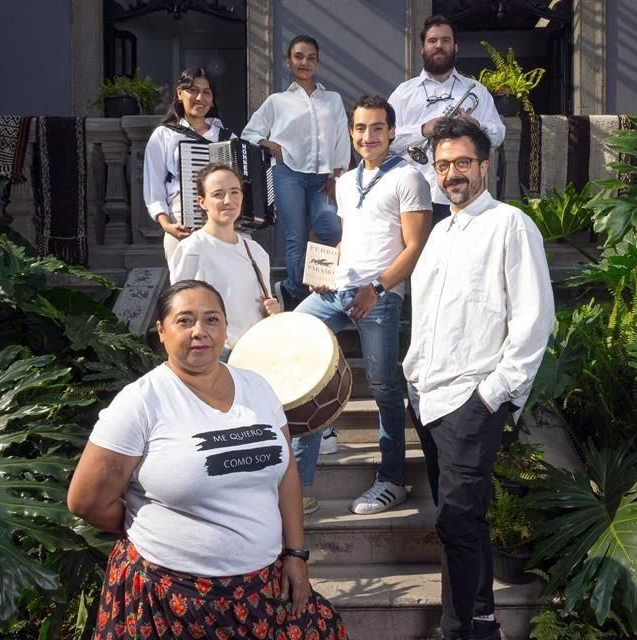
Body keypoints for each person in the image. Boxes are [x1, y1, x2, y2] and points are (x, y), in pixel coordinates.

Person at [68, 280, 348, 640]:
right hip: (168, 597)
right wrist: (153, 525)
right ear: (161, 331)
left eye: (211, 320)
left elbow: (286, 474)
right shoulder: (141, 403)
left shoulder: (258, 388)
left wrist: (295, 553)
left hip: (263, 588)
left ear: (225, 329)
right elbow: (85, 501)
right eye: (184, 321)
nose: (200, 331)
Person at [403, 117, 554, 640]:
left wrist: (493, 395)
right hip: (429, 399)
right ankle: (484, 621)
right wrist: (414, 381)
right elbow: (426, 318)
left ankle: (456, 630)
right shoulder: (440, 233)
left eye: (462, 163)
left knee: (455, 521)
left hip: (473, 399)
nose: (452, 174)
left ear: (484, 166)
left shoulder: (511, 225)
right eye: (443, 165)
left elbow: (535, 321)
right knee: (466, 520)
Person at [293, 95, 431, 516]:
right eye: (359, 128)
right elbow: (350, 239)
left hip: (381, 296)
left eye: (376, 128)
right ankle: (300, 482)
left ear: (391, 131)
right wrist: (324, 268)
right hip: (336, 290)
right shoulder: (346, 181)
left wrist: (377, 287)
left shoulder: (410, 178)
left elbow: (416, 246)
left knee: (385, 387)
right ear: (351, 133)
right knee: (297, 348)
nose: (367, 136)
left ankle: (391, 480)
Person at [241, 35, 351, 311]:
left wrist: (337, 176)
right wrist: (268, 143)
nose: (305, 62)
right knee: (296, 237)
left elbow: (342, 138)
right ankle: (300, 293)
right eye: (299, 57)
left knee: (330, 228)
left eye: (311, 57)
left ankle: (302, 284)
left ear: (317, 63)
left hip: (323, 178)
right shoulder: (277, 101)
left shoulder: (333, 100)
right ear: (289, 62)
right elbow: (248, 134)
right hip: (287, 173)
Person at [388, 15, 505, 226]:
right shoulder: (403, 93)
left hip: (463, 193)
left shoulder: (476, 90)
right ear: (422, 48)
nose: (439, 46)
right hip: (413, 195)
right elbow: (388, 139)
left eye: (445, 40)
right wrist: (423, 130)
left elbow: (499, 134)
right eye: (432, 41)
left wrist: (477, 127)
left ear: (456, 47)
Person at [169, 162, 279, 355]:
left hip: (256, 352)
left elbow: (263, 305)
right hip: (216, 355)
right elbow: (180, 314)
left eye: (235, 192)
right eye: (218, 194)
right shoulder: (192, 249)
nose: (228, 200)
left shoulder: (256, 251)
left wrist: (272, 310)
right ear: (201, 201)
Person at [143, 68, 235, 265]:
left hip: (222, 221)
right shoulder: (164, 135)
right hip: (182, 221)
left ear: (213, 99)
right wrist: (167, 225)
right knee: (187, 289)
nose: (200, 97)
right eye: (193, 90)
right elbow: (154, 187)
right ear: (179, 93)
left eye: (207, 92)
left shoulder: (228, 138)